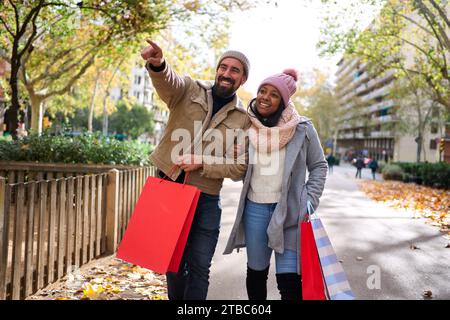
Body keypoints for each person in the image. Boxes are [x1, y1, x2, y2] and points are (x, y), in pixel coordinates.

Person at [141, 39, 251, 300]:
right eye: (223, 67)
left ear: (243, 79)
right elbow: (169, 82)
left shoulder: (243, 119)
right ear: (217, 70)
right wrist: (158, 64)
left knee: (201, 267)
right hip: (170, 189)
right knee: (174, 264)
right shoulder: (189, 90)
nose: (227, 73)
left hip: (206, 199)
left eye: (235, 70)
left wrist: (202, 162)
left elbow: (239, 168)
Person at [223, 69, 328, 300]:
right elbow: (237, 173)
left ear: (283, 101)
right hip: (255, 210)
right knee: (256, 274)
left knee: (290, 283)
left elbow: (319, 166)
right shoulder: (246, 127)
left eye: (273, 94)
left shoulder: (302, 128)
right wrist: (234, 156)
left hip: (290, 212)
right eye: (262, 91)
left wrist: (308, 201)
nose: (264, 97)